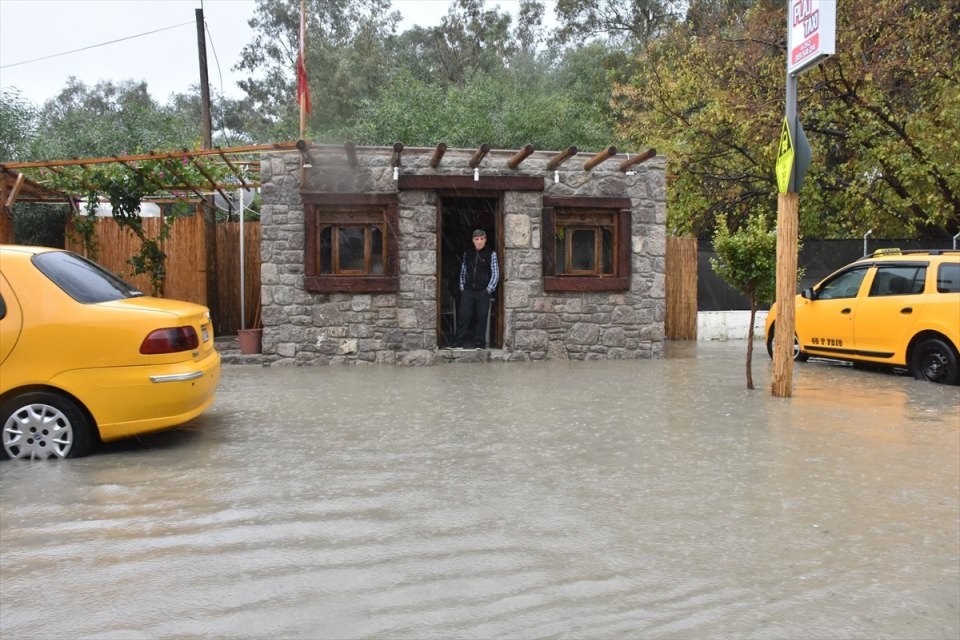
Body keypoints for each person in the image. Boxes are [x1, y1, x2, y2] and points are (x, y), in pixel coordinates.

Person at [453, 228, 499, 348]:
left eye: (482, 239)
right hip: (468, 290)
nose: (479, 242)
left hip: (483, 291)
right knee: (464, 316)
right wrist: (462, 286)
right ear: (473, 241)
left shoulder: (491, 253)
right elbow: (463, 270)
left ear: (485, 240)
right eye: (477, 239)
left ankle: (479, 343)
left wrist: (489, 289)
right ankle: (458, 343)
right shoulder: (468, 253)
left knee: (481, 317)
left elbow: (495, 273)